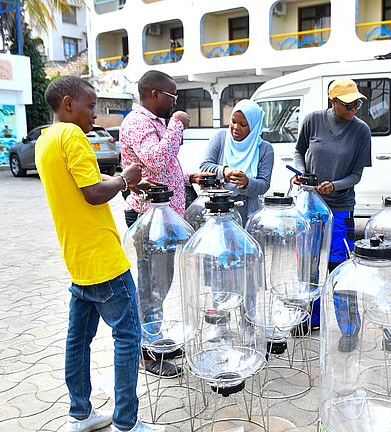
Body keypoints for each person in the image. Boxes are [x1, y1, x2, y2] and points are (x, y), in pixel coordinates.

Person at [35, 76, 164, 432]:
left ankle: (80, 414)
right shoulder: (72, 136)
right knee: (128, 336)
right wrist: (125, 179)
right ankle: (127, 422)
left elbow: (82, 185)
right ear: (67, 103)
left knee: (78, 340)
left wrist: (124, 179)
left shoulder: (46, 140)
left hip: (77, 260)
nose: (95, 114)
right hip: (104, 259)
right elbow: (92, 193)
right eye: (90, 106)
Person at [120, 70, 210, 378]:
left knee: (160, 284)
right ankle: (145, 353)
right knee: (151, 287)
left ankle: (154, 339)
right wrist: (176, 126)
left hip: (165, 217)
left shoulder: (154, 123)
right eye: (172, 97)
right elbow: (156, 160)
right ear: (155, 94)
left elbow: (162, 169)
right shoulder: (138, 123)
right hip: (149, 217)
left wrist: (189, 179)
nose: (175, 103)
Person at [293, 78, 372, 352]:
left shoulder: (361, 131)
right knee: (308, 265)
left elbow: (357, 175)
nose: (354, 108)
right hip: (310, 206)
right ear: (332, 102)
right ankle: (309, 317)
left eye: (357, 103)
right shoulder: (313, 121)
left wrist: (334, 185)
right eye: (348, 103)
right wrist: (303, 175)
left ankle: (349, 328)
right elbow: (298, 152)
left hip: (339, 208)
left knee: (340, 269)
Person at [200, 99, 274, 224]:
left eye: (243, 124)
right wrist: (224, 171)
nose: (235, 128)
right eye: (233, 122)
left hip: (247, 211)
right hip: (217, 208)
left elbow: (264, 184)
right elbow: (205, 166)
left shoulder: (265, 149)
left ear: (254, 126)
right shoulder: (221, 138)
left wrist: (247, 182)